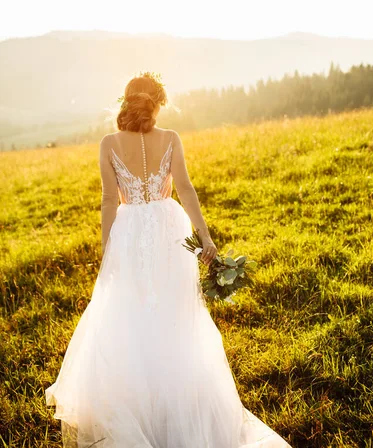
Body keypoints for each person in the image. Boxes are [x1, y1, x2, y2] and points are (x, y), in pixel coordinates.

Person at [45, 71, 291, 448]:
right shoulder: (171, 138)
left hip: (128, 235)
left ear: (127, 101)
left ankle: (139, 412)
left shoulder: (109, 143)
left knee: (130, 317)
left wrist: (108, 252)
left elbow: (110, 201)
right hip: (169, 231)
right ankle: (178, 407)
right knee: (177, 319)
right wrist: (205, 238)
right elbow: (187, 190)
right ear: (156, 103)